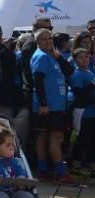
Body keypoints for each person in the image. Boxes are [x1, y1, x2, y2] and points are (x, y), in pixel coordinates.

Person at [31, 28, 74, 183]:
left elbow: (70, 70)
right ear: (37, 41)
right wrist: (43, 104)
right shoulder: (41, 57)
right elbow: (38, 80)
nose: (48, 41)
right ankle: (61, 172)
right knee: (55, 137)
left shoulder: (52, 56)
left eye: (49, 39)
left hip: (57, 105)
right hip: (48, 106)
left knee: (46, 137)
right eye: (44, 39)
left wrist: (59, 57)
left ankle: (44, 170)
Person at [69, 48, 94, 170]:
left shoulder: (90, 73)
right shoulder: (77, 75)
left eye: (86, 57)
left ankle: (89, 162)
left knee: (91, 138)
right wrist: (91, 86)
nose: (84, 60)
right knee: (82, 139)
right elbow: (79, 96)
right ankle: (76, 164)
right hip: (83, 114)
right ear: (75, 60)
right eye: (81, 57)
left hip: (92, 113)